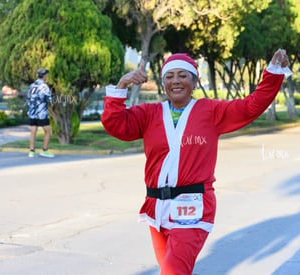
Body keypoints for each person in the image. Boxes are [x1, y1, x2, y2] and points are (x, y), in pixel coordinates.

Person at [101, 49, 290, 274]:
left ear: (194, 80)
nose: (176, 81)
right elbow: (115, 124)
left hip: (192, 208)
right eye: (169, 77)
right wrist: (121, 86)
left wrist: (273, 73)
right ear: (163, 83)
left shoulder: (211, 111)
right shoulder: (149, 113)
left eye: (182, 75)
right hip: (157, 208)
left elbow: (251, 106)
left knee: (173, 271)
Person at [26, 68, 54, 158]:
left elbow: (28, 98)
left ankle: (31, 151)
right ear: (44, 76)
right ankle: (44, 150)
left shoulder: (32, 86)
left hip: (32, 113)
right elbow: (49, 99)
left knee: (33, 131)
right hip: (41, 113)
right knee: (48, 131)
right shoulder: (44, 86)